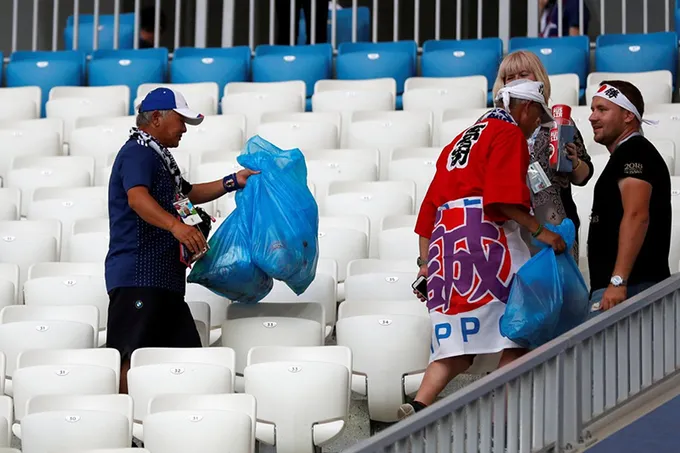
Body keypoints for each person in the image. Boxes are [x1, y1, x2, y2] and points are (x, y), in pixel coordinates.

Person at [398, 79, 567, 419]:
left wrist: (426, 265)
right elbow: (500, 201)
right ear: (526, 108)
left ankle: (418, 405)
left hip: (446, 243)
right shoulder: (508, 135)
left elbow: (427, 212)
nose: (537, 124)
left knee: (455, 342)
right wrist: (542, 233)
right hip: (486, 240)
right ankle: (498, 410)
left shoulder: (456, 143)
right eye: (537, 117)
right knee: (523, 326)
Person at [105, 87, 259, 393]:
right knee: (131, 357)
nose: (184, 129)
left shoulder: (158, 157)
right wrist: (177, 227)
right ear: (158, 118)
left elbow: (187, 194)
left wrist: (234, 181)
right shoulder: (138, 152)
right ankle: (123, 426)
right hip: (139, 276)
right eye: (181, 120)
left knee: (187, 358)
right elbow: (137, 198)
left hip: (164, 281)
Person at [493, 50, 594, 262]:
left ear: (539, 78)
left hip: (555, 224)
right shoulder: (494, 126)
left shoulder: (559, 122)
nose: (516, 81)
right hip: (509, 225)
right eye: (509, 77)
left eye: (523, 74)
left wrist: (574, 162)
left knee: (557, 289)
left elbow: (584, 176)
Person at [587, 81, 671, 316]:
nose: (592, 117)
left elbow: (637, 215)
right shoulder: (628, 153)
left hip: (631, 290)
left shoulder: (635, 152)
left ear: (627, 115)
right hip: (626, 288)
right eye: (593, 110)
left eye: (602, 110)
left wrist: (617, 281)